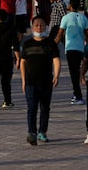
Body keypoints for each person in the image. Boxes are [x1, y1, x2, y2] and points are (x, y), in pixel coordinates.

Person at [20, 15, 60, 145]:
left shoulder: (50, 43)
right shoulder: (27, 44)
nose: (39, 27)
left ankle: (42, 132)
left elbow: (56, 60)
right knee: (31, 108)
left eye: (41, 25)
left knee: (45, 108)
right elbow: (22, 62)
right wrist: (23, 80)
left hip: (46, 81)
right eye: (36, 25)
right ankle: (32, 132)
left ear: (45, 26)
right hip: (30, 82)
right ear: (32, 28)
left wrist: (56, 75)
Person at [55, 0, 88, 105]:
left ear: (70, 5)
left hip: (70, 47)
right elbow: (87, 35)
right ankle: (77, 94)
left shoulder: (66, 18)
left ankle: (78, 95)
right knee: (76, 70)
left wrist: (51, 45)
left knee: (73, 72)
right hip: (80, 47)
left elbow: (60, 34)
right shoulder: (84, 18)